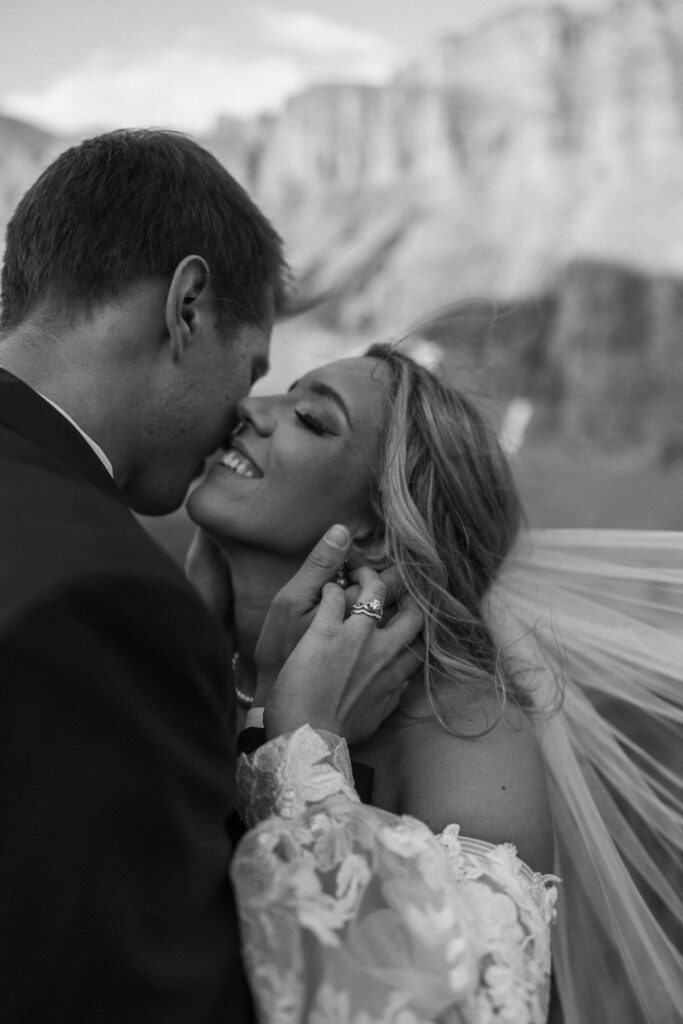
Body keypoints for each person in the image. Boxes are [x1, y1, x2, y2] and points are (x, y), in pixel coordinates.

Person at [0, 130, 432, 1024]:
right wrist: (296, 760)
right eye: (256, 368)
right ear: (188, 307)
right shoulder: (109, 602)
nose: (246, 411)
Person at [187, 345, 683, 1024]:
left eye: (311, 418)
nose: (251, 408)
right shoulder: (183, 645)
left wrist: (303, 742)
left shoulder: (463, 729)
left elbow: (450, 1010)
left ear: (375, 532)